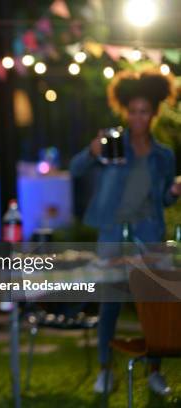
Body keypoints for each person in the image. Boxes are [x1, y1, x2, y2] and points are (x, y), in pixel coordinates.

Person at [70, 69, 179, 395]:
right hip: (114, 233)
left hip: (149, 235)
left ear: (154, 113)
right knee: (111, 303)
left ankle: (155, 372)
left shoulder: (164, 156)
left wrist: (173, 192)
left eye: (143, 111)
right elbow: (76, 170)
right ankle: (105, 370)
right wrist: (92, 151)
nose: (137, 118)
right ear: (125, 111)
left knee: (156, 304)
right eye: (132, 111)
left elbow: (161, 198)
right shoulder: (113, 145)